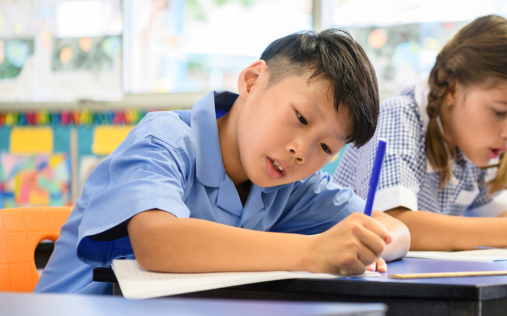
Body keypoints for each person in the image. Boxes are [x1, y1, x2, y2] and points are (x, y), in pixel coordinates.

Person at [35, 29, 410, 294]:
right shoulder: (163, 140)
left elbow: (396, 230)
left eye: (326, 148)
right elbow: (156, 241)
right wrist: (313, 252)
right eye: (300, 118)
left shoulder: (287, 188)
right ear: (251, 81)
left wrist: (369, 245)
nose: (302, 151)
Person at [334, 15, 507, 251]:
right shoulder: (397, 117)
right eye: (499, 112)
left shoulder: (475, 144)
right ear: (453, 89)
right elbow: (394, 227)